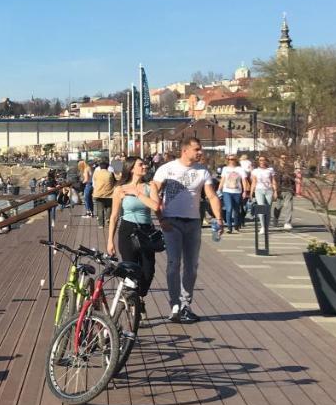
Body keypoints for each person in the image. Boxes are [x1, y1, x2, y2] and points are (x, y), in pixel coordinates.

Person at [152, 138, 223, 324]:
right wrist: (160, 217)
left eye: (201, 149)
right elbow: (154, 193)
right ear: (185, 150)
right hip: (171, 222)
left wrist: (219, 218)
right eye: (197, 149)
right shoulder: (166, 169)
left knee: (191, 266)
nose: (200, 152)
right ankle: (174, 304)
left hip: (193, 222)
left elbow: (212, 196)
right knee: (174, 263)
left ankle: (186, 305)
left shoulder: (203, 171)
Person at [105, 157, 161, 296]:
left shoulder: (150, 186)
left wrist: (137, 193)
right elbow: (114, 216)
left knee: (148, 271)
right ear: (131, 169)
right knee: (130, 270)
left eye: (144, 164)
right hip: (127, 230)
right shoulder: (120, 189)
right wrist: (110, 241)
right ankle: (132, 303)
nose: (145, 167)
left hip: (146, 231)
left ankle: (139, 297)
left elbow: (155, 206)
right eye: (140, 165)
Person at [248, 154, 278, 234]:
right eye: (260, 160)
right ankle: (263, 227)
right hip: (259, 190)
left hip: (269, 190)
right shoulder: (255, 171)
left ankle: (266, 226)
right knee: (261, 208)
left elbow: (273, 181)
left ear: (266, 161)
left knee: (267, 209)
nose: (262, 162)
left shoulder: (270, 170)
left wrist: (275, 191)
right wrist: (251, 192)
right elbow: (254, 182)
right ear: (258, 161)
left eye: (263, 160)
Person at [218, 154, 247, 233]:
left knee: (236, 210)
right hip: (227, 191)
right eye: (229, 159)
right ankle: (229, 227)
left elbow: (244, 180)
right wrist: (219, 189)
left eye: (233, 159)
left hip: (237, 192)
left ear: (236, 160)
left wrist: (244, 191)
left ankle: (236, 226)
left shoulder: (240, 169)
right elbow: (223, 179)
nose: (231, 161)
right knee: (229, 209)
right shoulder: (225, 169)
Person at [90, 159, 116, 230]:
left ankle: (101, 224)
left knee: (100, 209)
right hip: (109, 193)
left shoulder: (96, 173)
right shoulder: (110, 173)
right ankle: (108, 218)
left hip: (98, 194)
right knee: (109, 207)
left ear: (100, 167)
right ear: (107, 167)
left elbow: (94, 182)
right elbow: (114, 181)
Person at [273, 155, 296, 230]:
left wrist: (293, 189)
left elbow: (293, 179)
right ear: (279, 159)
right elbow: (274, 180)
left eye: (285, 158)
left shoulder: (290, 168)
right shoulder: (275, 168)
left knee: (289, 206)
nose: (284, 159)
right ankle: (276, 219)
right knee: (278, 207)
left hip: (288, 189)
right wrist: (275, 190)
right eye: (282, 158)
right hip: (279, 190)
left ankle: (287, 222)